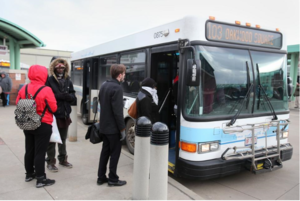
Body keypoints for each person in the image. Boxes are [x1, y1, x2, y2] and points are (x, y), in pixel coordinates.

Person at [16, 65, 57, 188]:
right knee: (40, 152)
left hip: (27, 122)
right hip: (43, 124)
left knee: (29, 149)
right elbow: (53, 108)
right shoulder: (46, 89)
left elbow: (18, 104)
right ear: (43, 75)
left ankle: (29, 174)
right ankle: (41, 179)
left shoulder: (24, 88)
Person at [97, 64, 127, 187]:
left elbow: (102, 103)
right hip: (113, 129)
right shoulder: (117, 88)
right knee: (115, 154)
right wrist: (122, 129)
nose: (124, 76)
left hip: (104, 126)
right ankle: (113, 179)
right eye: (124, 74)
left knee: (105, 152)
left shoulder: (104, 85)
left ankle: (101, 177)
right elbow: (118, 113)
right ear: (120, 75)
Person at [46, 57, 76, 172]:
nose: (60, 69)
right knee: (52, 139)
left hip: (64, 114)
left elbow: (73, 95)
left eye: (62, 67)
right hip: (52, 115)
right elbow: (46, 96)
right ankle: (50, 161)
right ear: (54, 67)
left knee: (63, 139)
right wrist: (59, 96)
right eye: (58, 67)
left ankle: (63, 159)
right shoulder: (49, 80)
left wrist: (70, 97)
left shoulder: (68, 79)